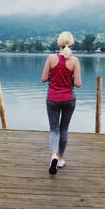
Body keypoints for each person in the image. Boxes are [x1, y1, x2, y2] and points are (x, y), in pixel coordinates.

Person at [41, 31, 82, 175]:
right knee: (64, 129)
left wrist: (54, 75)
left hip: (52, 98)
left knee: (54, 129)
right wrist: (69, 79)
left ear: (58, 43)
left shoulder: (51, 58)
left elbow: (44, 78)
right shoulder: (75, 61)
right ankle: (60, 159)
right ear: (72, 44)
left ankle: (53, 155)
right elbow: (78, 83)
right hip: (69, 99)